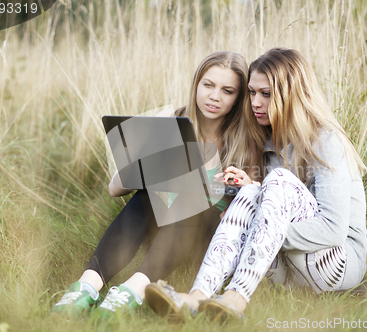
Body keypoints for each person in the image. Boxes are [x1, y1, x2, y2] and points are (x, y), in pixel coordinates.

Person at [144, 47, 367, 321]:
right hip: (287, 267)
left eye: (266, 94)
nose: (255, 102)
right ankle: (199, 297)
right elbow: (269, 211)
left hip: (337, 264)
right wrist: (246, 198)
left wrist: (255, 226)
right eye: (251, 92)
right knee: (250, 191)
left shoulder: (326, 141)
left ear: (292, 94)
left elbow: (333, 229)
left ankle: (235, 299)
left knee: (277, 180)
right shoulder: (268, 143)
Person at [51, 51, 256, 317]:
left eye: (227, 91)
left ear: (238, 98)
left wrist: (246, 185)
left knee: (196, 200)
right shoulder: (171, 119)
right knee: (147, 193)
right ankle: (87, 286)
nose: (214, 96)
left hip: (207, 241)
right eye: (208, 85)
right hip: (162, 232)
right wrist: (153, 163)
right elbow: (115, 189)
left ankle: (132, 290)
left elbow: (254, 204)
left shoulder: (245, 141)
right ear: (196, 85)